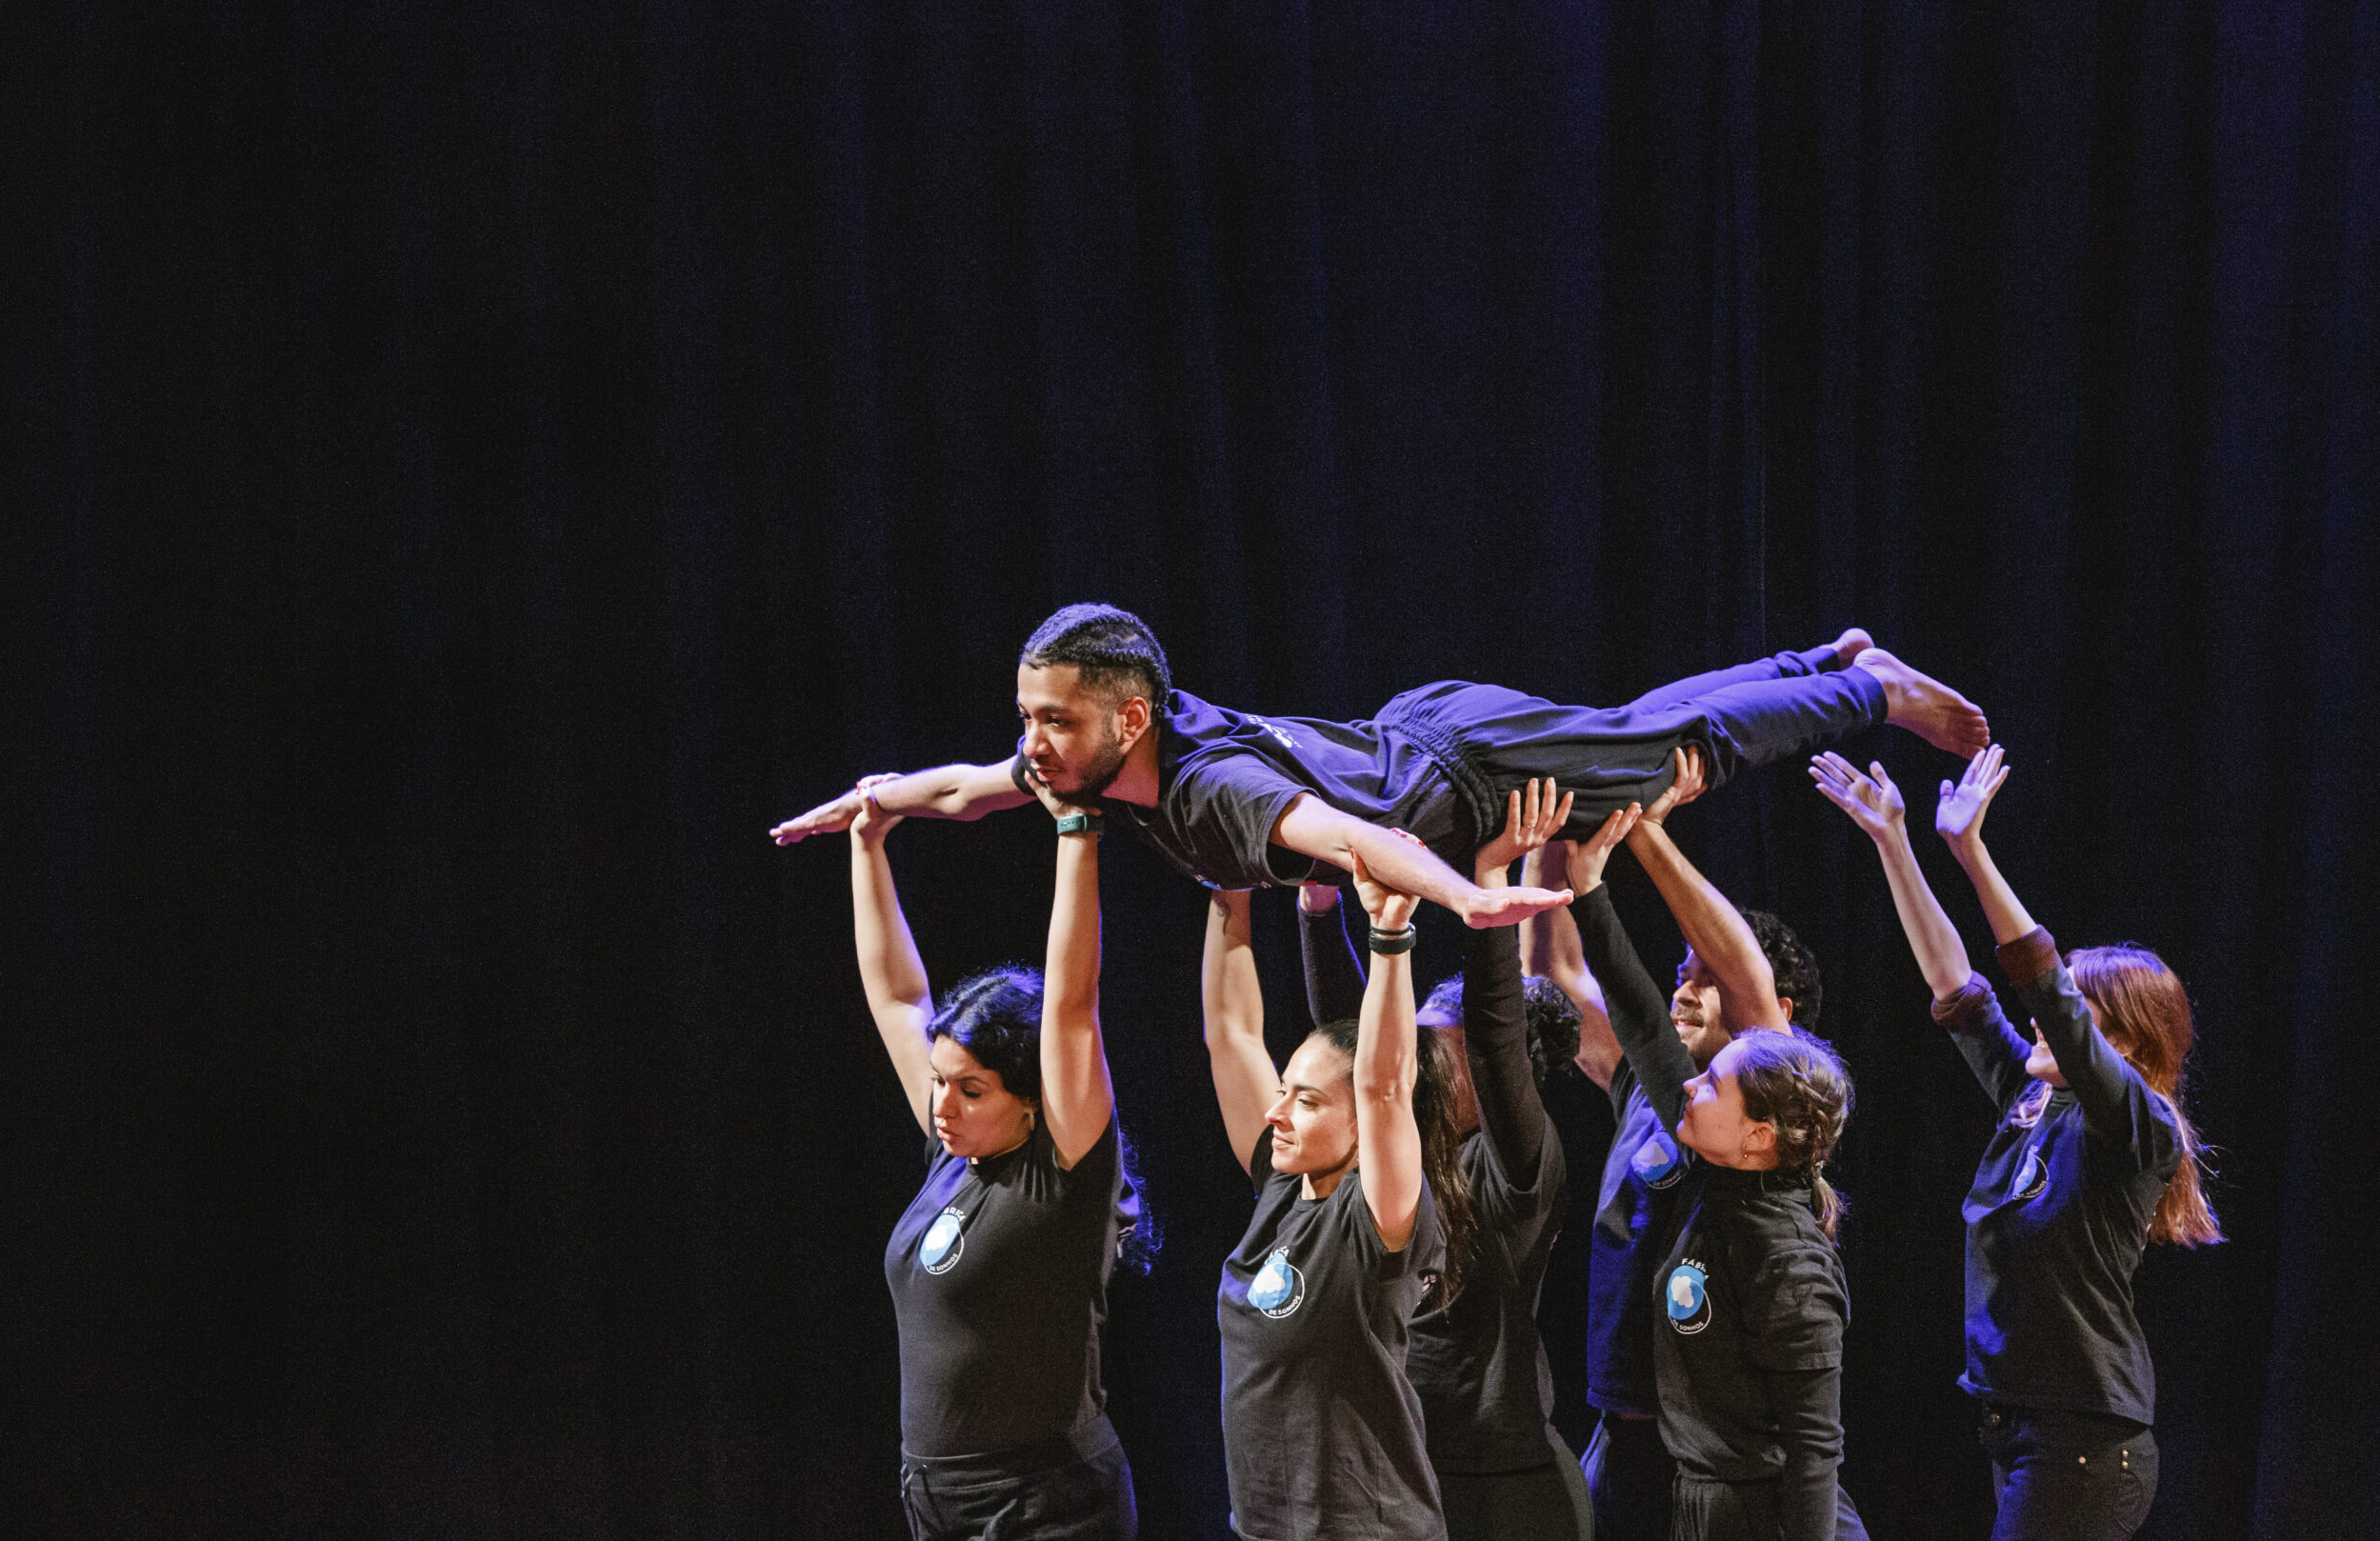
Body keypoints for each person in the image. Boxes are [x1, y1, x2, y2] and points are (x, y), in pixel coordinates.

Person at [772, 605, 1990, 930]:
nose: (1032, 745)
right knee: (1632, 730)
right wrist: (877, 798)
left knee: (1672, 756)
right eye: (1026, 717)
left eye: (1054, 722)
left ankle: (1867, 690)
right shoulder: (1091, 768)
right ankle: (1819, 658)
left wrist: (1466, 897)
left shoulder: (1207, 792)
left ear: (1130, 721)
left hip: (1466, 768)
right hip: (1427, 736)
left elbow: (1358, 844)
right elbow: (966, 790)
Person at [1811, 747, 2221, 1541]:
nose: (2039, 1017)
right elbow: (1956, 987)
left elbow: (2047, 994)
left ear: (2129, 1050)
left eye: (2075, 1013)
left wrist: (1974, 851)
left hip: (2085, 1446)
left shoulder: (2137, 1126)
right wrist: (1893, 842)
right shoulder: (2037, 1098)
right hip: (2021, 1432)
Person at [852, 769, 1152, 1540]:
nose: (941, 1104)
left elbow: (1073, 1004)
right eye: (941, 1082)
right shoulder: (955, 1151)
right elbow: (896, 997)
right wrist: (868, 842)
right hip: (936, 1494)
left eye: (971, 1089)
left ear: (1030, 1096)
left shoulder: (1064, 1175)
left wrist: (1076, 832)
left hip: (1045, 1500)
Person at [1561, 774, 1861, 1541]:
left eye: (1704, 978)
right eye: (1680, 975)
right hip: (1661, 1464)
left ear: (1764, 1131)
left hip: (1743, 1493)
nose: (1683, 992)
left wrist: (1646, 834)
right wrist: (1581, 877)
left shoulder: (1787, 1249)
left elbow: (1814, 1448)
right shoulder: (1699, 1118)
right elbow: (1624, 1005)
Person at [1297, 780, 1597, 1540]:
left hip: (1507, 1489)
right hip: (1396, 1473)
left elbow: (1498, 1037)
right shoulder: (1402, 1138)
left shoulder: (1524, 1165)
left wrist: (1486, 889)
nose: (1414, 1060)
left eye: (1436, 1047)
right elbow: (1352, 1036)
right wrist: (1320, 907)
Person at [1202, 832, 1478, 1540]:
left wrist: (1389, 934)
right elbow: (1231, 1031)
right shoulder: (1281, 1186)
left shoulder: (1380, 1217)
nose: (1277, 1111)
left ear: (1364, 1125)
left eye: (1307, 1100)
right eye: (1285, 1091)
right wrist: (1226, 877)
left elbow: (1387, 1086)